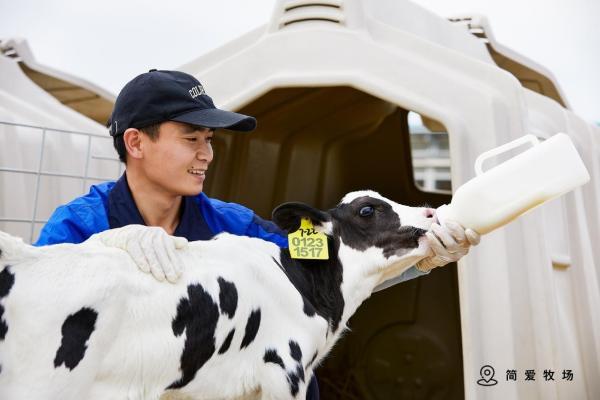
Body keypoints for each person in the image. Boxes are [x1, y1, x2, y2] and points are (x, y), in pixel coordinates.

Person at [34, 70, 480, 398]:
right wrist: (107, 248)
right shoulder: (79, 228)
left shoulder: (234, 227)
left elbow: (328, 264)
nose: (207, 155)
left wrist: (422, 256)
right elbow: (33, 327)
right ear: (135, 143)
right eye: (192, 139)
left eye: (209, 140)